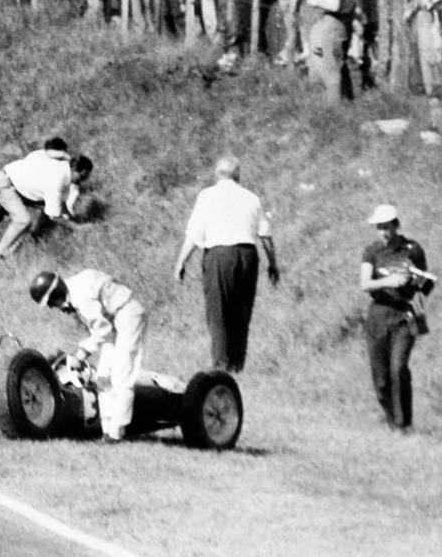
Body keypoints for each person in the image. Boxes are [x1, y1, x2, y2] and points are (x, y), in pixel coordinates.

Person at [172, 156, 280, 372]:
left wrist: (180, 263)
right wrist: (272, 264)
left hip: (220, 256)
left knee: (218, 312)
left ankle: (221, 367)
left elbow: (194, 234)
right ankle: (237, 365)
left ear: (216, 174)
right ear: (237, 175)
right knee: (242, 312)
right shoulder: (251, 197)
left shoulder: (207, 196)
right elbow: (265, 235)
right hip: (248, 256)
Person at [29, 269, 148, 443]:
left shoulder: (80, 295)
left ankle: (117, 432)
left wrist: (81, 354)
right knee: (103, 377)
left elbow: (102, 329)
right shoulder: (73, 292)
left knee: (121, 376)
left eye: (52, 301)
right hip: (114, 320)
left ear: (57, 293)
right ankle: (106, 430)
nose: (54, 306)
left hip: (128, 316)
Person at [359, 204, 434, 432]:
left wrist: (414, 280)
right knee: (381, 379)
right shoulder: (372, 251)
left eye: (387, 227)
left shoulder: (413, 249)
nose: (383, 232)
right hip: (378, 315)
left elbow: (426, 285)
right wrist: (388, 282)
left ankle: (404, 424)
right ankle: (393, 420)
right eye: (379, 228)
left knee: (398, 368)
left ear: (396, 225)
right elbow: (364, 284)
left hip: (404, 316)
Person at [0, 149, 91, 258]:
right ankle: (0, 253)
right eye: (83, 176)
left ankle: (22, 243)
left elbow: (46, 153)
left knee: (49, 208)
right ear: (76, 170)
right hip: (4, 185)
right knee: (23, 220)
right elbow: (54, 216)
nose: (82, 181)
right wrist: (76, 227)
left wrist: (69, 214)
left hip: (13, 181)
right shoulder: (57, 180)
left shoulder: (61, 165)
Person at [294, 0, 359, 102]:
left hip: (335, 21)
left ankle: (334, 105)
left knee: (330, 66)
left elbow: (333, 5)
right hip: (342, 20)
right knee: (339, 63)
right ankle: (346, 99)